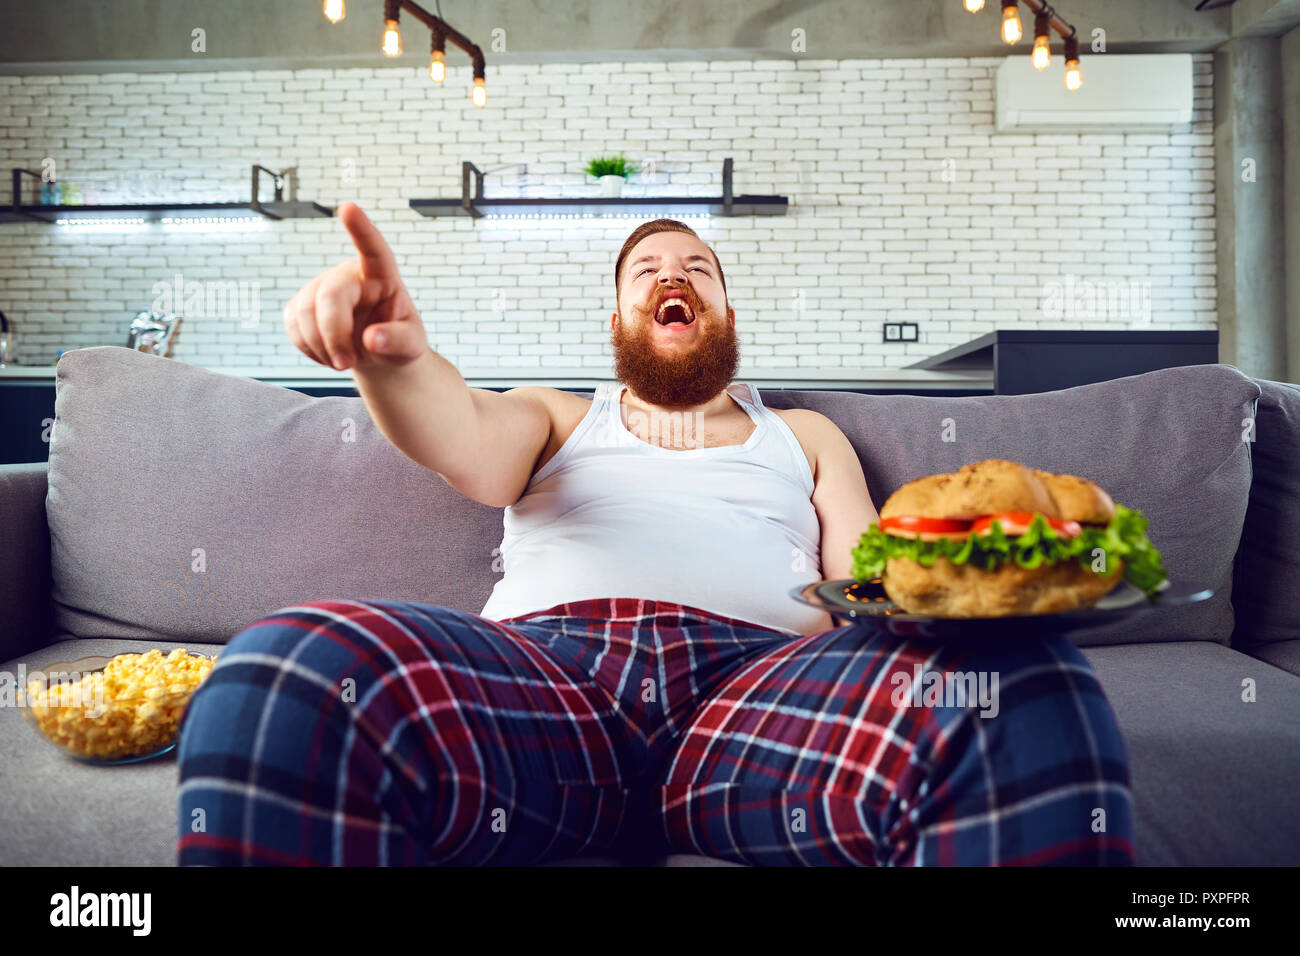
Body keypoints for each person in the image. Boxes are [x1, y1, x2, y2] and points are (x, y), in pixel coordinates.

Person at [176, 203, 1135, 866]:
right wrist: (393, 362)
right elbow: (461, 439)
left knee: (1017, 686)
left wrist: (1005, 581)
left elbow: (880, 585)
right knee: (280, 674)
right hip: (545, 687)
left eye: (697, 271)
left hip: (758, 695)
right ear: (619, 318)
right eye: (649, 272)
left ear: (725, 311)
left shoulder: (804, 435)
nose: (673, 278)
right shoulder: (556, 415)